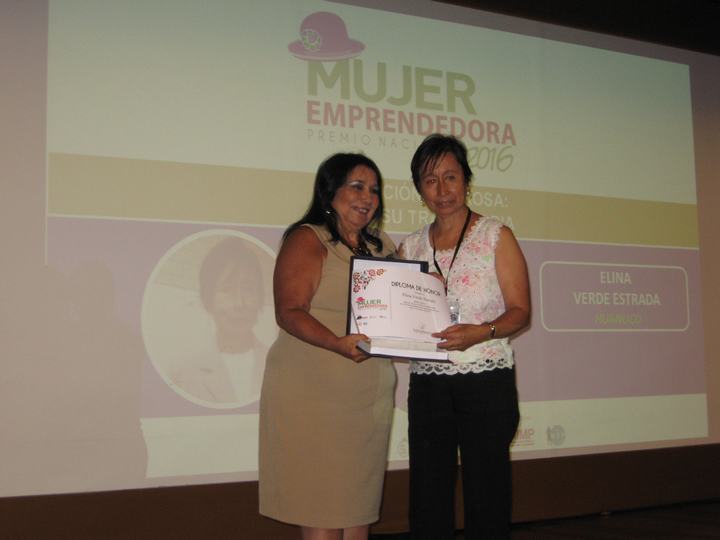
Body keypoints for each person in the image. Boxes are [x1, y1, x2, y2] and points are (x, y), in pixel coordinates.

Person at [398, 134, 530, 539]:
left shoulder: (495, 236)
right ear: (419, 189)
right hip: (429, 382)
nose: (442, 190)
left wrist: (480, 332)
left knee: (487, 492)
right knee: (428, 493)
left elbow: (520, 312)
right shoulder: (410, 247)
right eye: (430, 180)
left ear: (466, 180)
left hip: (485, 378)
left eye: (450, 177)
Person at [258, 153, 397, 540]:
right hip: (314, 398)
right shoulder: (308, 238)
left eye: (374, 190)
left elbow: (400, 311)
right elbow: (289, 311)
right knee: (322, 508)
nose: (368, 197)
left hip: (366, 401)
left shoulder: (382, 246)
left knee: (357, 511)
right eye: (357, 186)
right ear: (330, 191)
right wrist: (336, 344)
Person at [164, 235, 268, 405]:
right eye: (226, 289)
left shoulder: (281, 365)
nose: (239, 303)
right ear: (208, 299)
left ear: (260, 296)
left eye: (249, 288)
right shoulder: (182, 373)